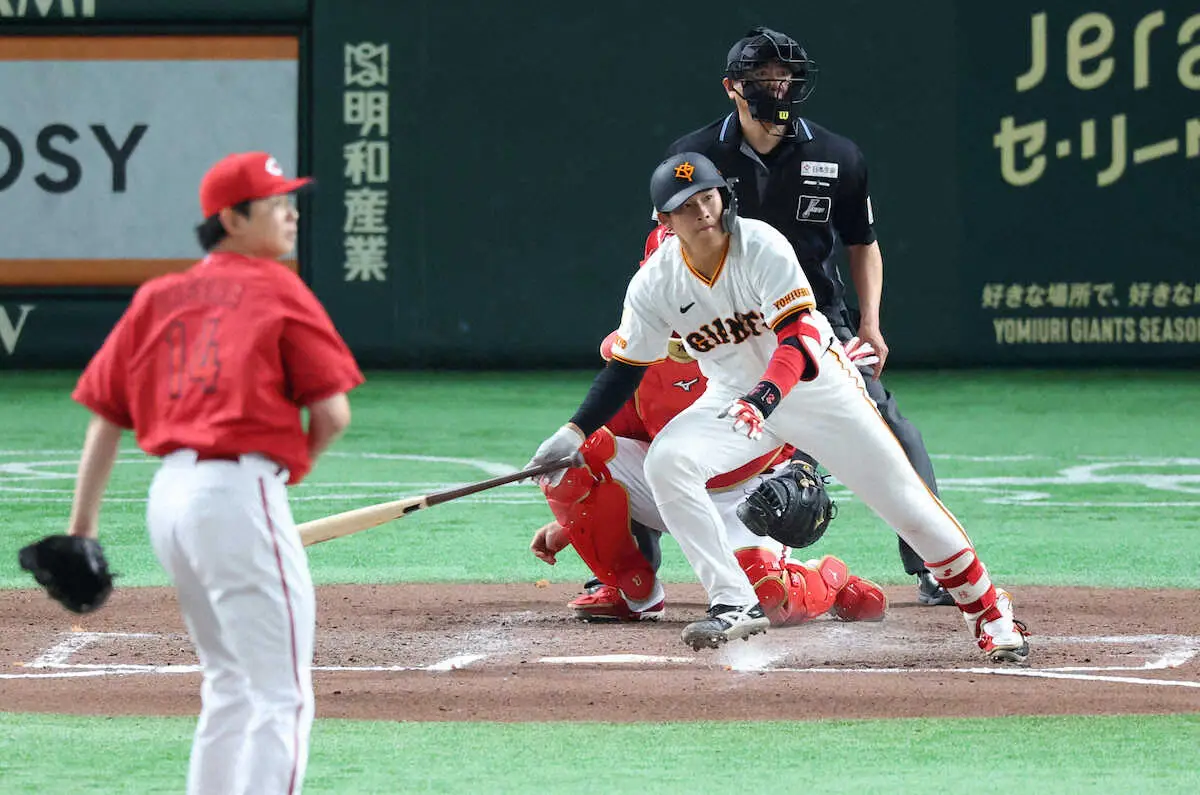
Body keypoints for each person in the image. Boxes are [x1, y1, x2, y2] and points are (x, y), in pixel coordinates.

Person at [526, 152, 1029, 662]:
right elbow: (625, 370)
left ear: (724, 198)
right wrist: (571, 433)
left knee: (907, 507)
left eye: (708, 196)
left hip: (816, 389)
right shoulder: (655, 282)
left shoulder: (762, 244)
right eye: (686, 204)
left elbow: (796, 340)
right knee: (668, 460)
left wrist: (764, 399)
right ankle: (734, 600)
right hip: (735, 398)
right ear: (665, 220)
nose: (702, 210)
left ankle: (989, 612)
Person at [65, 151, 364, 794]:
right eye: (275, 201)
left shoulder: (158, 295)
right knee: (280, 696)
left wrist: (82, 531)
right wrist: (293, 471)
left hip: (168, 500)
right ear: (231, 218)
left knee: (229, 685)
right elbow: (333, 413)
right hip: (235, 492)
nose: (290, 212)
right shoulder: (278, 286)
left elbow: (104, 416)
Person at [664, 26, 954, 607]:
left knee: (892, 429)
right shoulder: (694, 160)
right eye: (763, 78)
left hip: (816, 322)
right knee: (660, 433)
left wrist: (869, 324)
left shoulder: (837, 155)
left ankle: (935, 568)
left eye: (784, 76)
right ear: (732, 88)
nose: (778, 86)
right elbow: (667, 248)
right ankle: (624, 569)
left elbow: (862, 242)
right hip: (730, 331)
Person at [531, 225, 887, 628]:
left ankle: (828, 581)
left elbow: (818, 410)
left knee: (769, 598)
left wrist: (803, 467)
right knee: (570, 461)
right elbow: (613, 446)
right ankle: (633, 591)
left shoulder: (758, 340)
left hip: (751, 494)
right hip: (672, 490)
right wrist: (575, 524)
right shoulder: (634, 355)